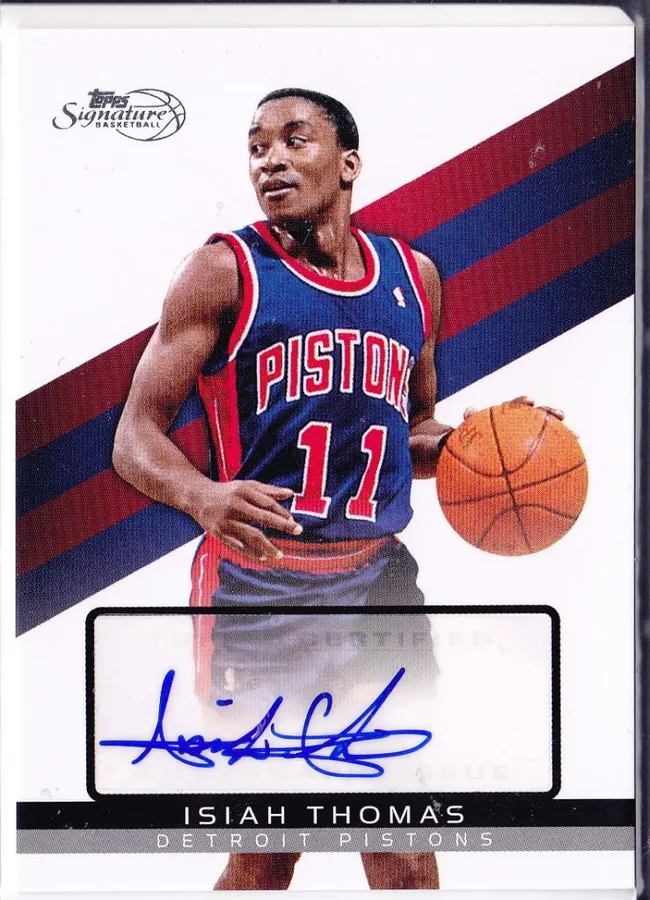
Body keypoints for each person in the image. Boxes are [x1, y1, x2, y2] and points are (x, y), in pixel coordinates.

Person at [113, 87, 559, 890]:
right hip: (259, 591)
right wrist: (203, 496)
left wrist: (484, 448)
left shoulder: (415, 278)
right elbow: (134, 435)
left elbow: (409, 431)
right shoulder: (223, 271)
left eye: (294, 140)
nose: (270, 161)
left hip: (379, 584)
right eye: (257, 147)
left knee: (403, 843)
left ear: (348, 164)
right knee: (268, 849)